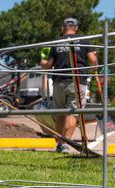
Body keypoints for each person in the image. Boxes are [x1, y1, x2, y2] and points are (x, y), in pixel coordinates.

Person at [40, 17, 99, 153]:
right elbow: (92, 62)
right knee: (73, 114)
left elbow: (48, 66)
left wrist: (42, 62)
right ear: (76, 28)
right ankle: (66, 144)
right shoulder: (84, 40)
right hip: (77, 82)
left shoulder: (57, 43)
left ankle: (60, 144)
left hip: (59, 83)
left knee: (60, 114)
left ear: (63, 28)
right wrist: (96, 57)